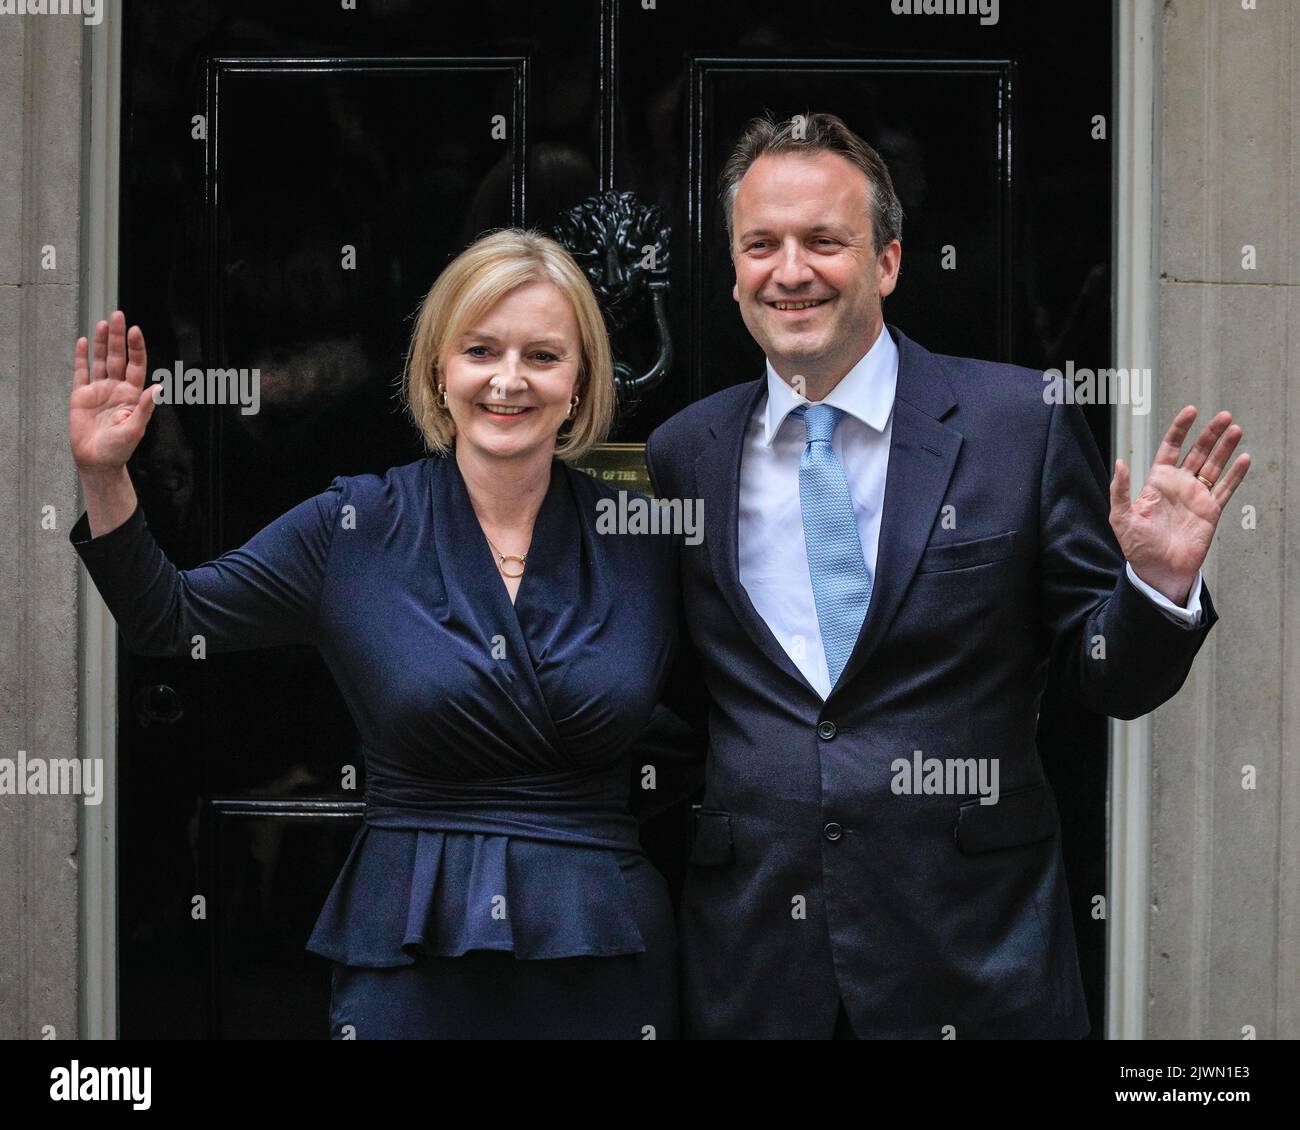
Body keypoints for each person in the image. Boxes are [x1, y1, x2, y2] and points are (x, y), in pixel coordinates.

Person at [644, 112, 1251, 1039]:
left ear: (887, 263)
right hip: (756, 964)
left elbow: (1108, 680)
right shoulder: (686, 454)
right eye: (760, 244)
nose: (790, 270)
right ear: (734, 272)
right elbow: (676, 699)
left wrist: (1154, 591)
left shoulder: (1019, 423)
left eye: (824, 241)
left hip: (975, 959)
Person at [67, 229, 683, 1039]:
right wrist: (106, 474)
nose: (508, 379)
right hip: (410, 936)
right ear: (438, 368)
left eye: (542, 356)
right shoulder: (354, 527)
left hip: (602, 945)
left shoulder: (642, 538)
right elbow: (169, 621)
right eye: (480, 350)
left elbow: (734, 704)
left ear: (580, 382)